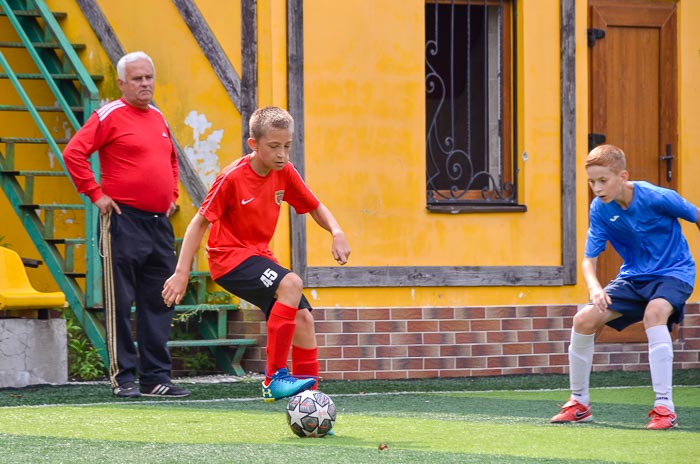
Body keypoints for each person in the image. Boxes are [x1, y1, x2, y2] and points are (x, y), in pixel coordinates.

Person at [162, 106, 350, 402]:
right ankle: (274, 378)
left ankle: (308, 399)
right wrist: (182, 272)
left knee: (304, 319)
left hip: (258, 256)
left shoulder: (285, 172)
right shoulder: (232, 177)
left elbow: (315, 206)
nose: (282, 154)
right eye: (274, 147)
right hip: (228, 260)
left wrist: (336, 232)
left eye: (287, 146)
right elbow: (199, 222)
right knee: (291, 283)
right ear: (254, 144)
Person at [63, 51, 190, 398]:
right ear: (122, 83)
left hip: (158, 223)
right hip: (122, 220)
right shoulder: (109, 115)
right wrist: (96, 194)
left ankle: (156, 378)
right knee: (120, 301)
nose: (145, 84)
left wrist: (172, 195)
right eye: (137, 78)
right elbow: (74, 152)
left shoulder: (159, 116)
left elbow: (171, 160)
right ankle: (124, 379)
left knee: (160, 300)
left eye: (149, 77)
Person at [550, 144, 699, 429]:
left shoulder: (657, 197)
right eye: (591, 182)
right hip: (632, 278)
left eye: (602, 180)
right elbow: (588, 260)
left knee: (654, 313)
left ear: (622, 176)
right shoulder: (600, 210)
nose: (596, 187)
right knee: (583, 319)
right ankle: (579, 403)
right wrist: (595, 288)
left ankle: (664, 408)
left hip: (673, 272)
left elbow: (697, 215)